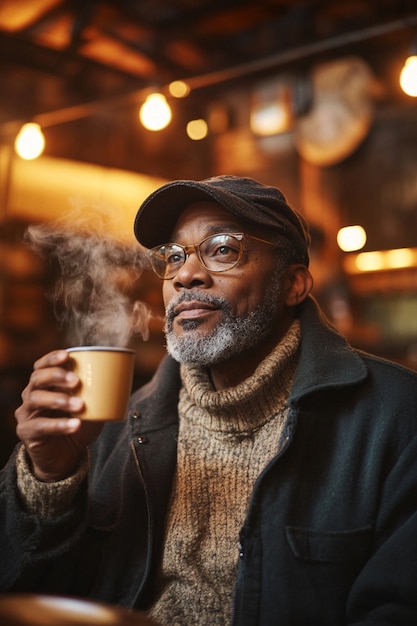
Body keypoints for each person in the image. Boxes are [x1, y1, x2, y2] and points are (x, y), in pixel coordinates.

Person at [1, 175, 417, 626]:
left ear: (293, 284)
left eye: (222, 249)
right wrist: (49, 477)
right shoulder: (118, 423)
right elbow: (36, 590)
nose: (185, 275)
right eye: (174, 256)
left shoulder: (394, 416)